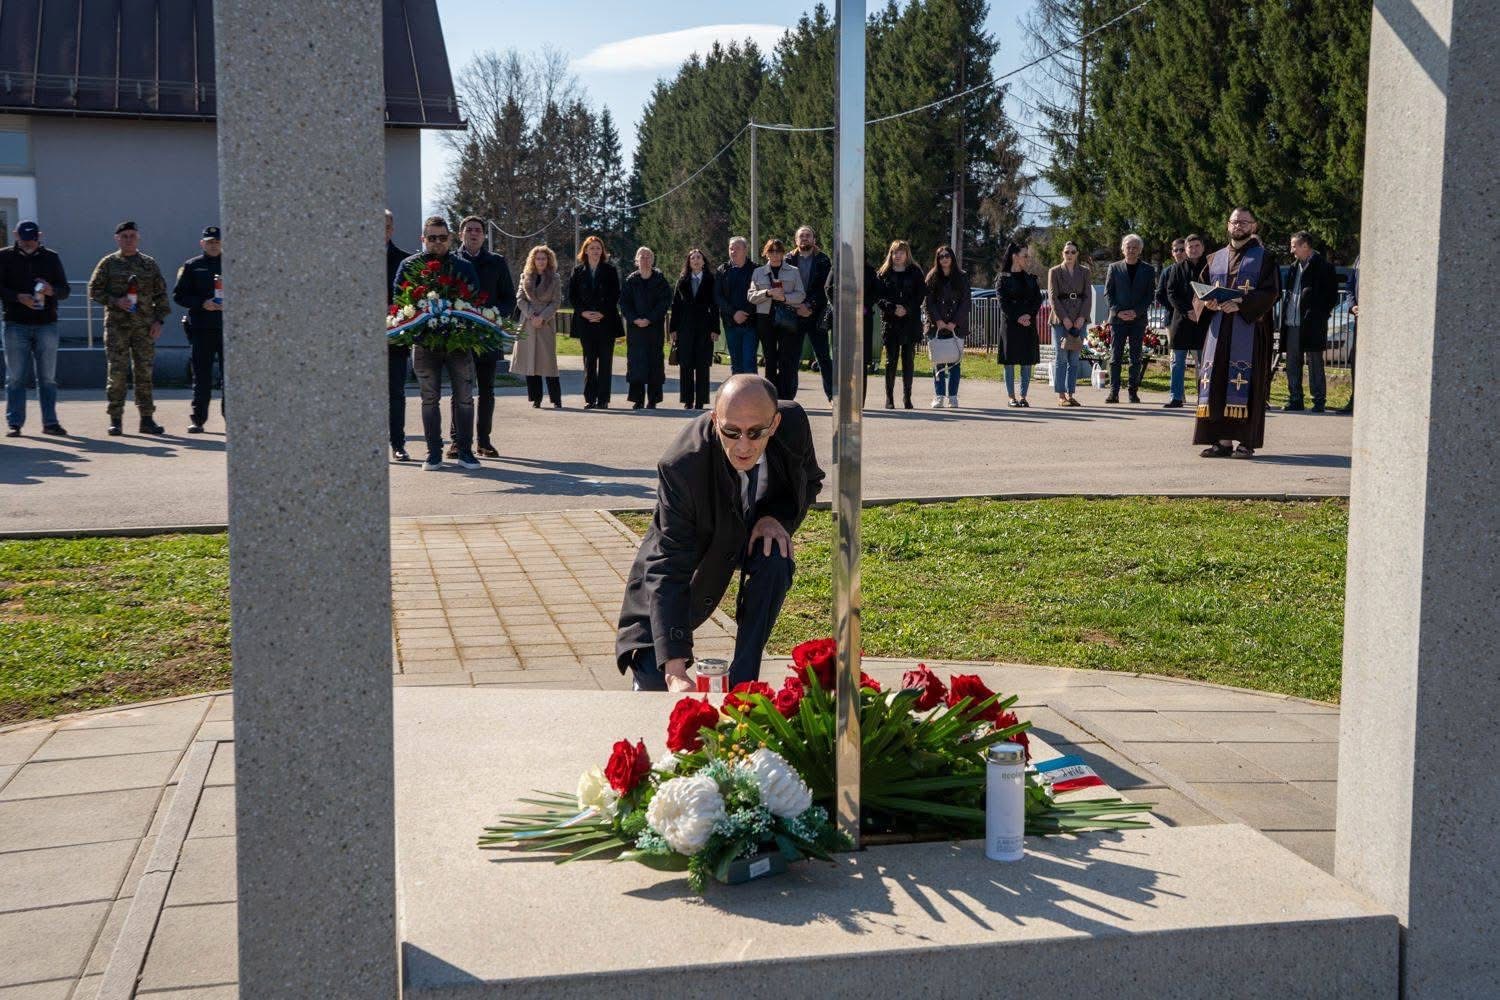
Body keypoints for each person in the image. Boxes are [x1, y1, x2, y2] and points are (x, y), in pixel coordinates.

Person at [615, 373, 825, 691]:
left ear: (775, 423)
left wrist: (776, 518)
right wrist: (674, 672)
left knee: (776, 557)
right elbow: (669, 564)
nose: (743, 446)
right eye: (731, 431)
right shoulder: (682, 466)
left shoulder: (794, 425)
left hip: (752, 533)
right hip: (697, 541)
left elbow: (809, 481)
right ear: (715, 420)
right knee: (656, 677)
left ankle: (743, 682)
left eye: (756, 433)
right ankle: (654, 666)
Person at [1192, 206, 1281, 458]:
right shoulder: (1214, 258)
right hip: (1219, 331)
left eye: (1244, 222)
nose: (1238, 226)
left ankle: (1245, 442)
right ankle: (1221, 442)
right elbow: (1199, 291)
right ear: (1228, 225)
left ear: (1254, 226)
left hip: (1249, 330)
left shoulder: (1265, 258)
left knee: (1246, 383)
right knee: (1217, 382)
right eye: (1234, 222)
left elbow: (1271, 292)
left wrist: (1241, 303)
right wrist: (1207, 303)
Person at [396, 215, 482, 471]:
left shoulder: (463, 267)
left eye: (442, 237)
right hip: (425, 343)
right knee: (429, 399)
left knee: (465, 397)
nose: (437, 242)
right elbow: (399, 301)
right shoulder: (409, 266)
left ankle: (465, 451)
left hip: (459, 343)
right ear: (423, 239)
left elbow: (475, 300)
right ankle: (433, 453)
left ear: (450, 238)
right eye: (432, 238)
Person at [88, 221, 169, 436]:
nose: (128, 239)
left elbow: (161, 295)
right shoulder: (108, 263)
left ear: (138, 237)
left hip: (144, 328)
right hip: (117, 327)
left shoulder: (149, 264)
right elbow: (94, 290)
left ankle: (147, 419)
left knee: (144, 373)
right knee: (117, 373)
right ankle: (116, 420)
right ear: (117, 239)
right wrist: (116, 301)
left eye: (132, 235)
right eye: (124, 236)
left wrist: (159, 321)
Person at [0, 220, 70, 436]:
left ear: (39, 236)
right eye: (24, 239)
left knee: (47, 378)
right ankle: (15, 423)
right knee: (15, 377)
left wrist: (51, 291)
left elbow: (64, 290)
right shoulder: (4, 257)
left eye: (32, 239)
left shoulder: (51, 257)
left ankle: (50, 423)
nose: (28, 243)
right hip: (15, 324)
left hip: (46, 324)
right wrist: (17, 297)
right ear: (16, 235)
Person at [457, 215, 515, 453]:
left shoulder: (497, 262)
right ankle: (458, 441)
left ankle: (483, 441)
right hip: (459, 336)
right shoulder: (452, 261)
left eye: (478, 230)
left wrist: (494, 315)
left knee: (487, 390)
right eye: (469, 229)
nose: (473, 233)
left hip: (488, 335)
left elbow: (509, 298)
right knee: (461, 390)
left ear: (484, 236)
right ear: (461, 234)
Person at [172, 225, 225, 433]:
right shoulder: (192, 266)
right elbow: (179, 296)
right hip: (202, 329)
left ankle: (232, 419)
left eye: (217, 242)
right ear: (202, 243)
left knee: (230, 377)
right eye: (210, 242)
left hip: (227, 330)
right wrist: (202, 303)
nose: (213, 245)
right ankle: (198, 419)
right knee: (201, 376)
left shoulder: (233, 264)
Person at [1279, 231, 1340, 413]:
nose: (1291, 250)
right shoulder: (1293, 267)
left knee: (1315, 363)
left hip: (1313, 324)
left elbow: (1332, 296)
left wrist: (1320, 315)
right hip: (1292, 323)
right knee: (1292, 363)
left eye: (1294, 246)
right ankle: (1295, 399)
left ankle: (1319, 401)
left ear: (1305, 246)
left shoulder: (1324, 267)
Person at [567, 234, 623, 409]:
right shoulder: (578, 271)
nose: (595, 251)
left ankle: (603, 399)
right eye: (592, 248)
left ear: (602, 251)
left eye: (598, 248)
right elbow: (572, 296)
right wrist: (583, 312)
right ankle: (590, 398)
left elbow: (615, 294)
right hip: (585, 322)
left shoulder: (610, 270)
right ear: (586, 251)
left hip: (606, 321)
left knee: (605, 361)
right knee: (589, 361)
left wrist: (602, 312)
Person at [748, 239, 808, 399]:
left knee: (785, 359)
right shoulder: (758, 272)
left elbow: (801, 295)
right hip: (765, 319)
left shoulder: (793, 271)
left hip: (786, 318)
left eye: (778, 251)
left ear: (783, 253)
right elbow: (751, 296)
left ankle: (785, 398)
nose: (775, 254)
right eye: (771, 251)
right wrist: (767, 293)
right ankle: (770, 397)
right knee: (770, 359)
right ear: (766, 253)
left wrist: (784, 298)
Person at [1103, 234, 1156, 404]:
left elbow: (1149, 295)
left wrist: (1136, 312)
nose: (1131, 250)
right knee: (1115, 357)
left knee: (1136, 358)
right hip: (1118, 320)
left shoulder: (1148, 270)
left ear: (1140, 250)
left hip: (1137, 320)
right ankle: (1114, 392)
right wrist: (1118, 311)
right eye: (1128, 247)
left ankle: (1133, 392)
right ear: (1123, 249)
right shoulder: (1114, 268)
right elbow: (1108, 293)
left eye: (1135, 247)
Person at [619, 246, 672, 409]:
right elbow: (624, 303)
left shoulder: (660, 280)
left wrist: (649, 319)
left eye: (648, 256)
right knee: (636, 363)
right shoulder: (630, 280)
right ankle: (637, 399)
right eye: (642, 257)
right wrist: (635, 319)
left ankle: (653, 400)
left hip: (654, 328)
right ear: (636, 261)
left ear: (653, 260)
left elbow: (665, 302)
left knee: (655, 362)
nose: (645, 259)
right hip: (635, 329)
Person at [822, 257, 879, 405]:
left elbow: (876, 291)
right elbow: (828, 288)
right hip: (843, 318)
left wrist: (863, 306)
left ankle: (859, 401)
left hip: (863, 319)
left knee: (861, 361)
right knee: (843, 360)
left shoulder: (869, 271)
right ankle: (844, 399)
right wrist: (842, 306)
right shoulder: (837, 268)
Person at [786, 226, 834, 401]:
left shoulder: (823, 260)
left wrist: (809, 306)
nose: (805, 238)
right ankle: (788, 398)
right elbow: (784, 286)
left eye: (808, 235)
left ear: (814, 240)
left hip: (816, 316)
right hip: (793, 315)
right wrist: (797, 306)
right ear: (796, 240)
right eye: (801, 236)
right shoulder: (788, 259)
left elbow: (825, 287)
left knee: (823, 358)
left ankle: (832, 396)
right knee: (792, 359)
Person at [1162, 234, 1210, 408]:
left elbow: (1213, 290)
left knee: (1204, 362)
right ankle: (1176, 397)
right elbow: (1171, 293)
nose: (1193, 249)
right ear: (1186, 249)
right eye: (1190, 247)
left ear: (1202, 247)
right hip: (1181, 321)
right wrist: (1188, 311)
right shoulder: (1177, 268)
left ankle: (1204, 397)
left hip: (1203, 321)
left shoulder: (1210, 267)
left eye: (1197, 246)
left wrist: (1199, 311)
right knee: (1177, 361)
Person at [512, 245, 563, 408]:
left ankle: (556, 399)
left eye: (544, 258)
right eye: (538, 258)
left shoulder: (555, 278)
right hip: (528, 322)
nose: (541, 261)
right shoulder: (525, 276)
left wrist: (542, 317)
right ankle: (536, 398)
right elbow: (520, 299)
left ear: (549, 260)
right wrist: (531, 315)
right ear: (533, 260)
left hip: (545, 323)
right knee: (530, 361)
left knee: (548, 362)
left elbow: (556, 302)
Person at [875, 239, 924, 409]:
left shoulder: (915, 272)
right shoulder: (883, 273)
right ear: (891, 254)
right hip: (891, 322)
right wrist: (892, 308)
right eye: (894, 252)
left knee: (908, 360)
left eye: (901, 252)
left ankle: (907, 397)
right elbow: (878, 296)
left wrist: (907, 309)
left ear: (907, 254)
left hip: (910, 322)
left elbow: (920, 295)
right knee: (891, 360)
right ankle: (889, 398)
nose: (897, 255)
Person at [670, 248, 718, 410]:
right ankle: (687, 399)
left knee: (702, 365)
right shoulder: (682, 280)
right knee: (686, 364)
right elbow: (675, 305)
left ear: (703, 261)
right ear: (689, 262)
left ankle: (701, 400)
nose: (696, 260)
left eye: (698, 257)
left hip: (705, 328)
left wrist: (715, 329)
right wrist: (673, 329)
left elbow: (715, 306)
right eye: (693, 258)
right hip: (685, 328)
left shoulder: (711, 280)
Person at [996, 242, 1042, 407]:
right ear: (1015, 257)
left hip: (1028, 323)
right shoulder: (1002, 278)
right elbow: (1003, 303)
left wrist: (1028, 315)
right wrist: (1018, 317)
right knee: (1009, 362)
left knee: (1026, 360)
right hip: (1010, 325)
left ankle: (1023, 396)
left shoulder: (1030, 279)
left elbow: (1037, 299)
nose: (1027, 259)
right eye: (1025, 256)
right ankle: (1011, 397)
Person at [924, 245, 969, 408]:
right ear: (937, 259)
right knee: (938, 362)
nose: (944, 259)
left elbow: (966, 302)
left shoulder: (962, 276)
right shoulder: (932, 276)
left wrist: (953, 322)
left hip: (956, 327)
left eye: (947, 255)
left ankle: (953, 397)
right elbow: (928, 302)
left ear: (952, 258)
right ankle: (939, 396)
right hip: (936, 327)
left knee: (954, 363)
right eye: (941, 256)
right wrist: (938, 321)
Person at [1046, 241, 1090, 407]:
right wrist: (1064, 318)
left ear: (1077, 254)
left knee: (1074, 359)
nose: (1069, 255)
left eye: (1072, 252)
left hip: (1079, 318)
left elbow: (1088, 296)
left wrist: (1082, 318)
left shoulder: (1085, 271)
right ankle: (1061, 395)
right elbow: (1053, 297)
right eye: (1066, 252)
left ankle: (1071, 394)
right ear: (1062, 254)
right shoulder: (1055, 271)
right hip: (1060, 319)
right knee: (1061, 358)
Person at [386, 210, 413, 461]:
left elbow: (412, 299)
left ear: (391, 229)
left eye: (385, 226)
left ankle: (398, 444)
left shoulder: (406, 261)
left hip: (394, 337)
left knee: (396, 393)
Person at [714, 236, 759, 374]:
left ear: (745, 250)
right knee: (736, 364)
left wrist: (745, 313)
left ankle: (752, 389)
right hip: (730, 323)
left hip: (751, 324)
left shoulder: (756, 269)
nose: (733, 251)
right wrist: (734, 313)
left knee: (749, 363)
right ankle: (737, 389)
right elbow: (718, 296)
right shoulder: (722, 270)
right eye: (731, 248)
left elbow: (759, 295)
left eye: (737, 248)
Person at [1339, 257, 1358, 414]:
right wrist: (1352, 306)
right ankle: (1355, 399)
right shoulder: (1359, 259)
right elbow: (1350, 286)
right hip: (1359, 317)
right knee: (1355, 359)